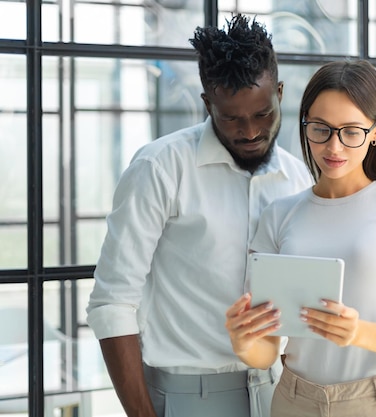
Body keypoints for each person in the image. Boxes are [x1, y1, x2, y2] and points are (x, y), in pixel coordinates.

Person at [86, 14, 312, 417]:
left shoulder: (298, 179)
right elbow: (112, 302)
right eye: (231, 118)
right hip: (186, 397)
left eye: (262, 114)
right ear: (208, 104)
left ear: (279, 92)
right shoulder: (160, 167)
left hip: (277, 391)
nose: (249, 131)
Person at [225, 60, 376, 417]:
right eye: (320, 129)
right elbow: (267, 350)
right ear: (305, 123)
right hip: (295, 399)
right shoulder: (279, 215)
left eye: (351, 131)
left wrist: (356, 333)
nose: (334, 147)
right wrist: (242, 338)